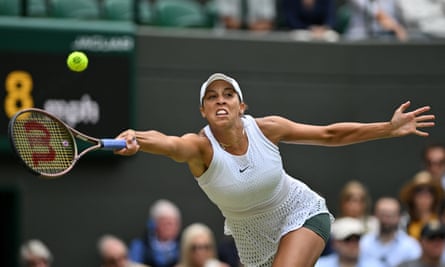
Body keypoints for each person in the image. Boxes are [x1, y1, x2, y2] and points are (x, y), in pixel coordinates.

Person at [115, 72, 435, 267]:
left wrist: (387, 128)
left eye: (229, 94)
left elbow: (329, 134)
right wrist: (137, 138)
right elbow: (168, 142)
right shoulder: (200, 148)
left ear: (242, 106)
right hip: (254, 239)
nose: (220, 100)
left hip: (301, 212)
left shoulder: (267, 129)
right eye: (211, 97)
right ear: (203, 111)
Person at [359, 197, 421, 267]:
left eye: (391, 215)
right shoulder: (364, 243)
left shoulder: (411, 246)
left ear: (399, 217)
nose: (386, 220)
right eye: (383, 215)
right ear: (376, 215)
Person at [129, 199, 182, 267]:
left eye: (174, 223)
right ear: (153, 224)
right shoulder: (140, 246)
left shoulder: (185, 245)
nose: (171, 228)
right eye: (166, 223)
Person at [399, 170, 445, 240]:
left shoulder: (441, 218)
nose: (425, 196)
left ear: (434, 196)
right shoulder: (404, 221)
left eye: (430, 191)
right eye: (419, 191)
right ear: (412, 196)